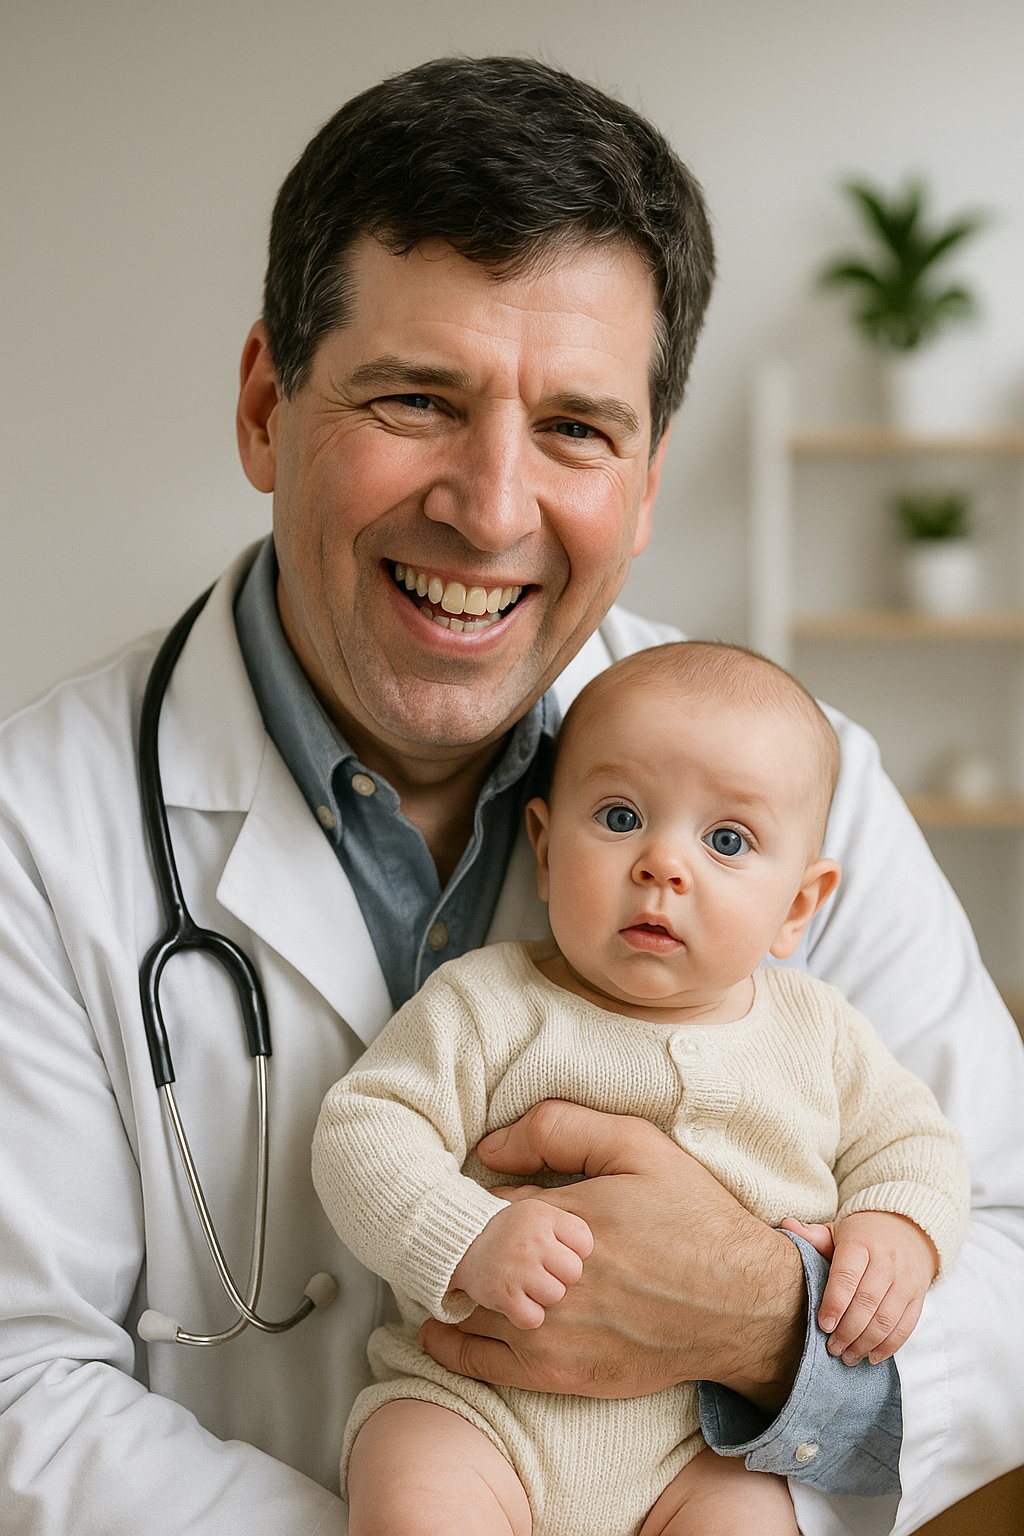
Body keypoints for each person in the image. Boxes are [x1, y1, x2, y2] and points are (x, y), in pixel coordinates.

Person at [0, 54, 1021, 1536]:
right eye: (418, 399)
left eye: (576, 429)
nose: (489, 509)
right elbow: (20, 1385)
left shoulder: (795, 791)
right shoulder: (34, 832)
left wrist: (761, 1320)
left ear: (651, 474)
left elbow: (1001, 1232)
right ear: (266, 408)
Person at [313, 641, 970, 1536]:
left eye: (727, 840)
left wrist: (897, 1232)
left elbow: (915, 1143)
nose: (664, 863)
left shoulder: (822, 1033)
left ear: (798, 908)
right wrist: (465, 1236)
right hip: (475, 1407)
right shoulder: (489, 1001)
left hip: (701, 1446)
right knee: (416, 1495)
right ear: (543, 851)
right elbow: (364, 1129)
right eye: (620, 817)